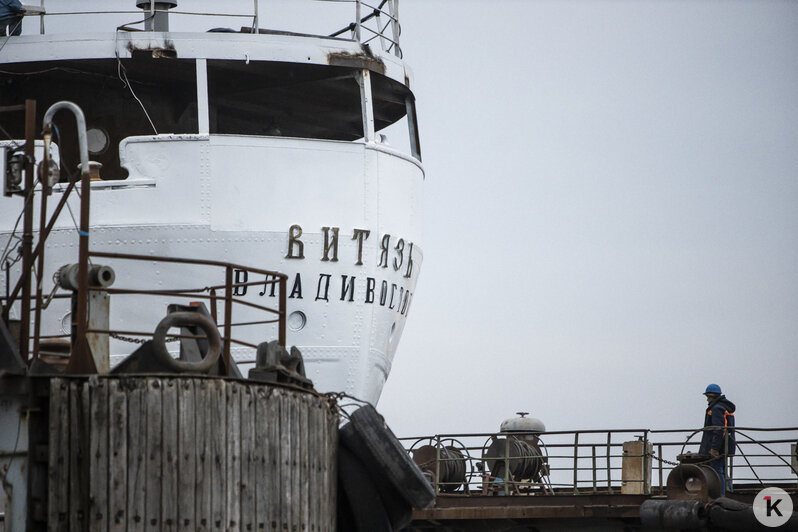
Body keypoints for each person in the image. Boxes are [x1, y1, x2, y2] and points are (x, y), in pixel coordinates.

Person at [698, 383, 736, 496]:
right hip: (725, 445)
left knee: (716, 470)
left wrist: (714, 448)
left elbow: (719, 430)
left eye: (708, 397)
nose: (707, 400)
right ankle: (728, 492)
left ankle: (721, 496)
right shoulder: (724, 407)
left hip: (718, 447)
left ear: (711, 396)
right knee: (722, 469)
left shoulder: (716, 409)